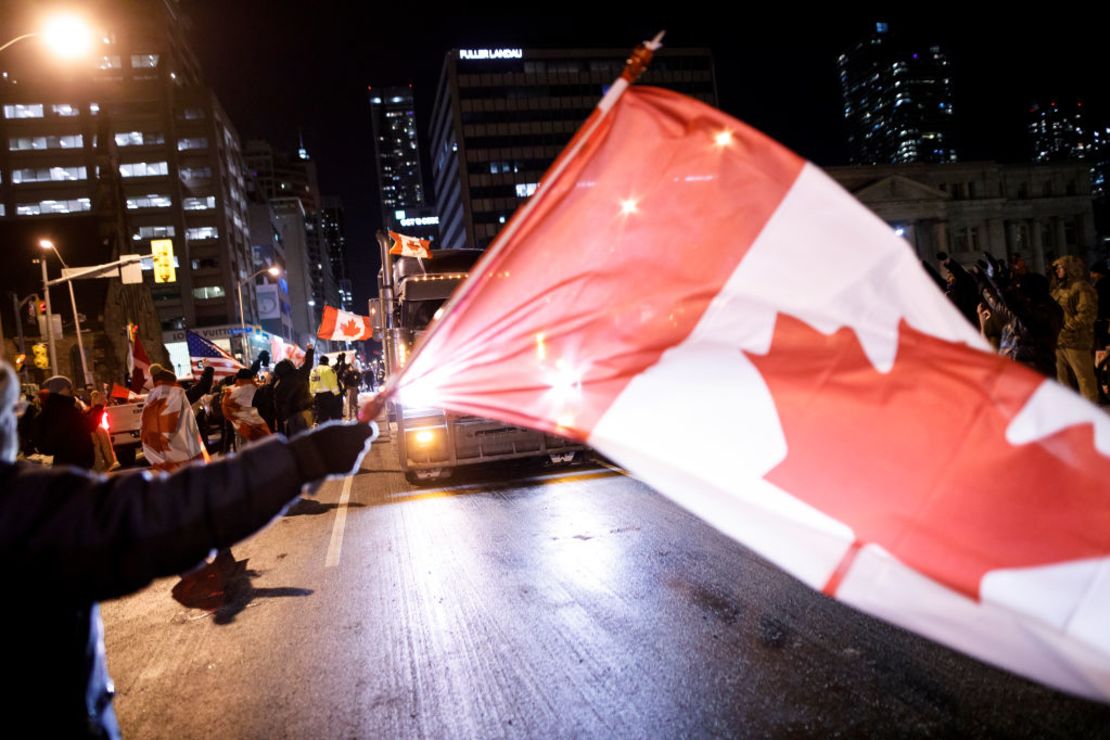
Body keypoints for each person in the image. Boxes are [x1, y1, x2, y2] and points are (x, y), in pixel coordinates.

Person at [0, 359, 376, 738]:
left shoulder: (153, 401)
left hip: (163, 465)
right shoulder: (22, 507)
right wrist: (304, 458)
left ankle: (213, 560)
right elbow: (172, 513)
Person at [141, 364, 208, 472]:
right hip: (186, 457)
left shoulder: (149, 403)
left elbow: (145, 432)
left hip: (162, 459)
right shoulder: (178, 396)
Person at [1051, 255, 1099, 403]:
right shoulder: (1058, 289)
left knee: (1084, 379)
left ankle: (1092, 412)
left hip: (1076, 341)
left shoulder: (1081, 288)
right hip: (1059, 341)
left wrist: (1066, 329)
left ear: (1070, 269)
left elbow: (1087, 314)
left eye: (1061, 268)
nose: (1058, 271)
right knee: (1062, 381)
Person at [32, 374, 95, 469]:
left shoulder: (50, 409)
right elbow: (89, 425)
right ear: (61, 389)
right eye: (68, 387)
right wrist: (98, 408)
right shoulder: (65, 409)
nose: (71, 390)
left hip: (62, 461)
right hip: (75, 462)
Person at [274, 344, 315, 436]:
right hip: (306, 412)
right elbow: (308, 364)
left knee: (297, 439)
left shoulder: (279, 385)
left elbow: (278, 404)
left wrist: (281, 418)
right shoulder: (300, 374)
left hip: (291, 416)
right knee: (307, 438)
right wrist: (310, 350)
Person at [310, 353, 341, 424]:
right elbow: (333, 384)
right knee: (331, 415)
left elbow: (312, 383)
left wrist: (313, 395)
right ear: (327, 362)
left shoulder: (313, 371)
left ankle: (324, 430)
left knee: (322, 416)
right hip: (329, 396)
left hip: (318, 397)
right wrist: (337, 395)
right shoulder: (329, 370)